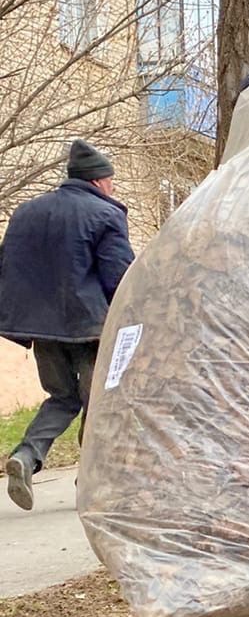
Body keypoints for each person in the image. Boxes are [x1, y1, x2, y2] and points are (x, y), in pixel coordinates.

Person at [0, 140, 133, 510]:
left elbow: (7, 268)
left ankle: (26, 456)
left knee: (62, 396)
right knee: (101, 400)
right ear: (98, 181)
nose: (113, 189)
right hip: (90, 327)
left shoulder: (26, 212)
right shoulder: (105, 215)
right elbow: (119, 276)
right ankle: (91, 480)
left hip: (41, 327)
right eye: (111, 182)